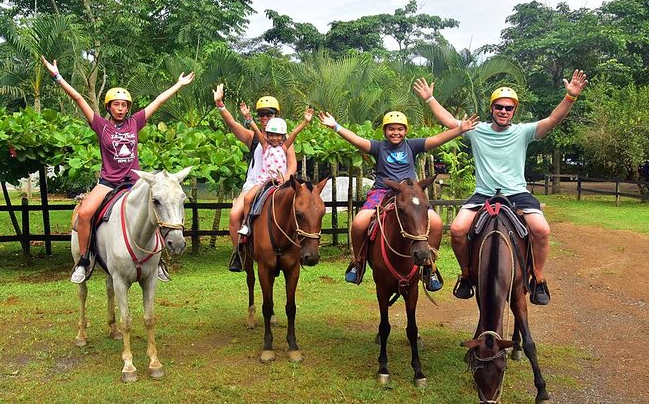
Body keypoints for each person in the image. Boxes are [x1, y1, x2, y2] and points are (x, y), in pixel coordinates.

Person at [413, 70, 588, 305]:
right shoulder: (475, 130)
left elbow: (552, 120)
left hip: (517, 194)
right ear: (492, 109)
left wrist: (570, 97)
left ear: (514, 110)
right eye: (499, 107)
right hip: (484, 194)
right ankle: (466, 274)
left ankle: (538, 277)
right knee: (457, 229)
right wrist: (429, 99)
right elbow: (448, 121)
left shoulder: (523, 132)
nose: (503, 111)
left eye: (508, 108)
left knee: (542, 230)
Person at [41, 55, 194, 284]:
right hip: (108, 182)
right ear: (109, 107)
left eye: (124, 105)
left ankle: (158, 261)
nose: (120, 108)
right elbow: (78, 98)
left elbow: (158, 101)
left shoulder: (136, 122)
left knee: (156, 211)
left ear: (128, 107)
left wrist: (178, 85)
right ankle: (84, 261)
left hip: (135, 183)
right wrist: (57, 76)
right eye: (116, 104)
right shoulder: (100, 126)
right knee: (84, 214)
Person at [318, 110, 479, 287]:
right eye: (391, 129)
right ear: (385, 131)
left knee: (437, 223)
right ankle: (359, 261)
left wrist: (460, 130)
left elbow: (437, 139)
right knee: (358, 223)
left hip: (409, 194)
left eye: (400, 129)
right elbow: (357, 140)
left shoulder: (412, 146)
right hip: (382, 191)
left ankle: (429, 266)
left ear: (406, 131)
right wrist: (336, 127)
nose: (396, 132)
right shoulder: (378, 147)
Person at [212, 84, 297, 271]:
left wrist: (286, 178)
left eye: (269, 114)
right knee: (235, 215)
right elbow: (233, 124)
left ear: (277, 115)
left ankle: (300, 248)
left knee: (302, 212)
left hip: (280, 185)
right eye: (262, 114)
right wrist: (220, 104)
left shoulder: (284, 139)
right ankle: (239, 255)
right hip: (255, 184)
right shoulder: (254, 138)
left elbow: (292, 165)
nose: (265, 118)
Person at [237, 104, 314, 236]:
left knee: (291, 201)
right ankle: (247, 224)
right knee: (248, 198)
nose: (275, 138)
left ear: (283, 136)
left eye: (278, 136)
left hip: (279, 181)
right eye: (271, 135)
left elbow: (294, 133)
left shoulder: (284, 147)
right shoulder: (265, 145)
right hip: (263, 180)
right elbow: (255, 129)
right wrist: (247, 116)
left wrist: (305, 121)